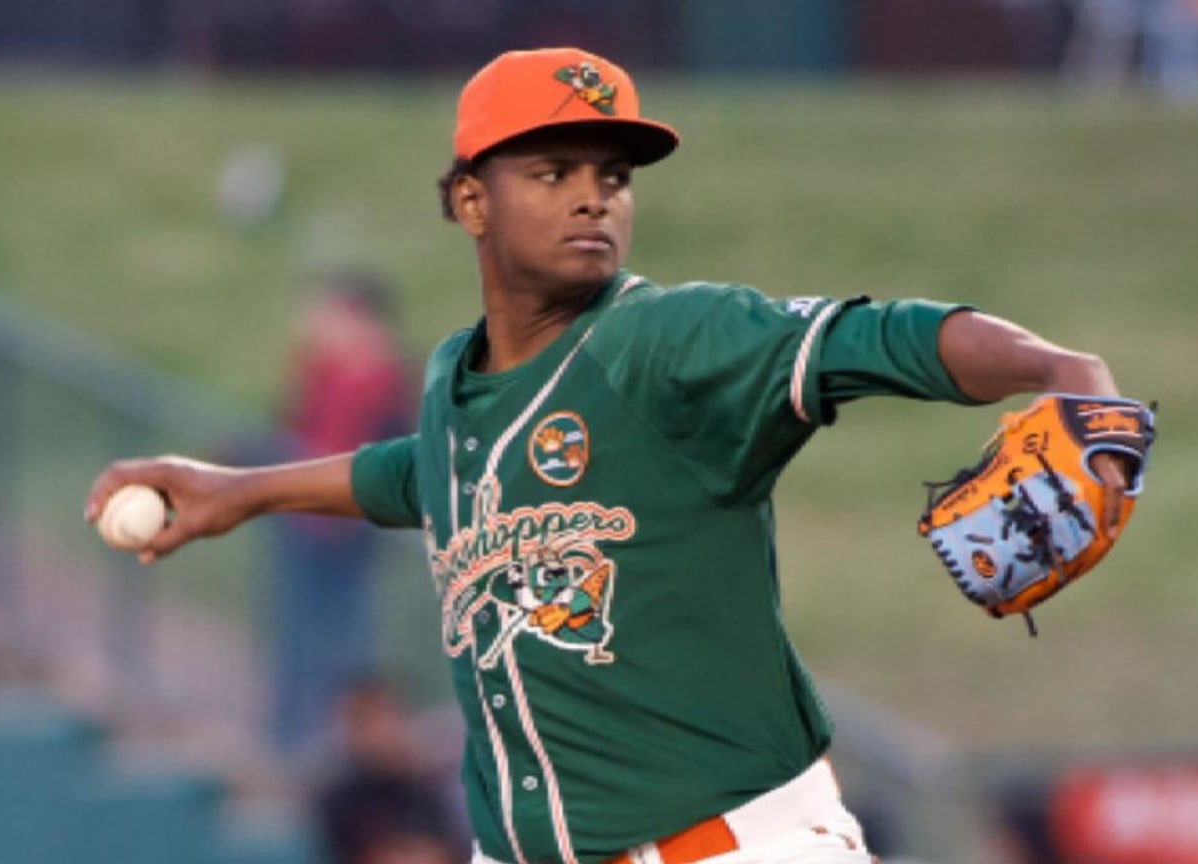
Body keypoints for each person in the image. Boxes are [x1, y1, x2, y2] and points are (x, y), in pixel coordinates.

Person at [86, 46, 1135, 864]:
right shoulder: (460, 382)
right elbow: (421, 478)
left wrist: (1063, 370)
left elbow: (877, 336)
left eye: (613, 175)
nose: (595, 196)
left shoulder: (666, 342)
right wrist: (240, 492)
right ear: (469, 200)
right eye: (552, 171)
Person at [269, 272, 418, 758]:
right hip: (308, 516)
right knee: (302, 631)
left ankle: (341, 739)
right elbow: (295, 423)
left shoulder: (384, 374)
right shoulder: (325, 369)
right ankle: (295, 734)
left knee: (344, 635)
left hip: (351, 523)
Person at [316, 676, 465, 864]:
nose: (375, 732)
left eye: (380, 717)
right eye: (360, 720)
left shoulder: (437, 791)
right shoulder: (339, 801)